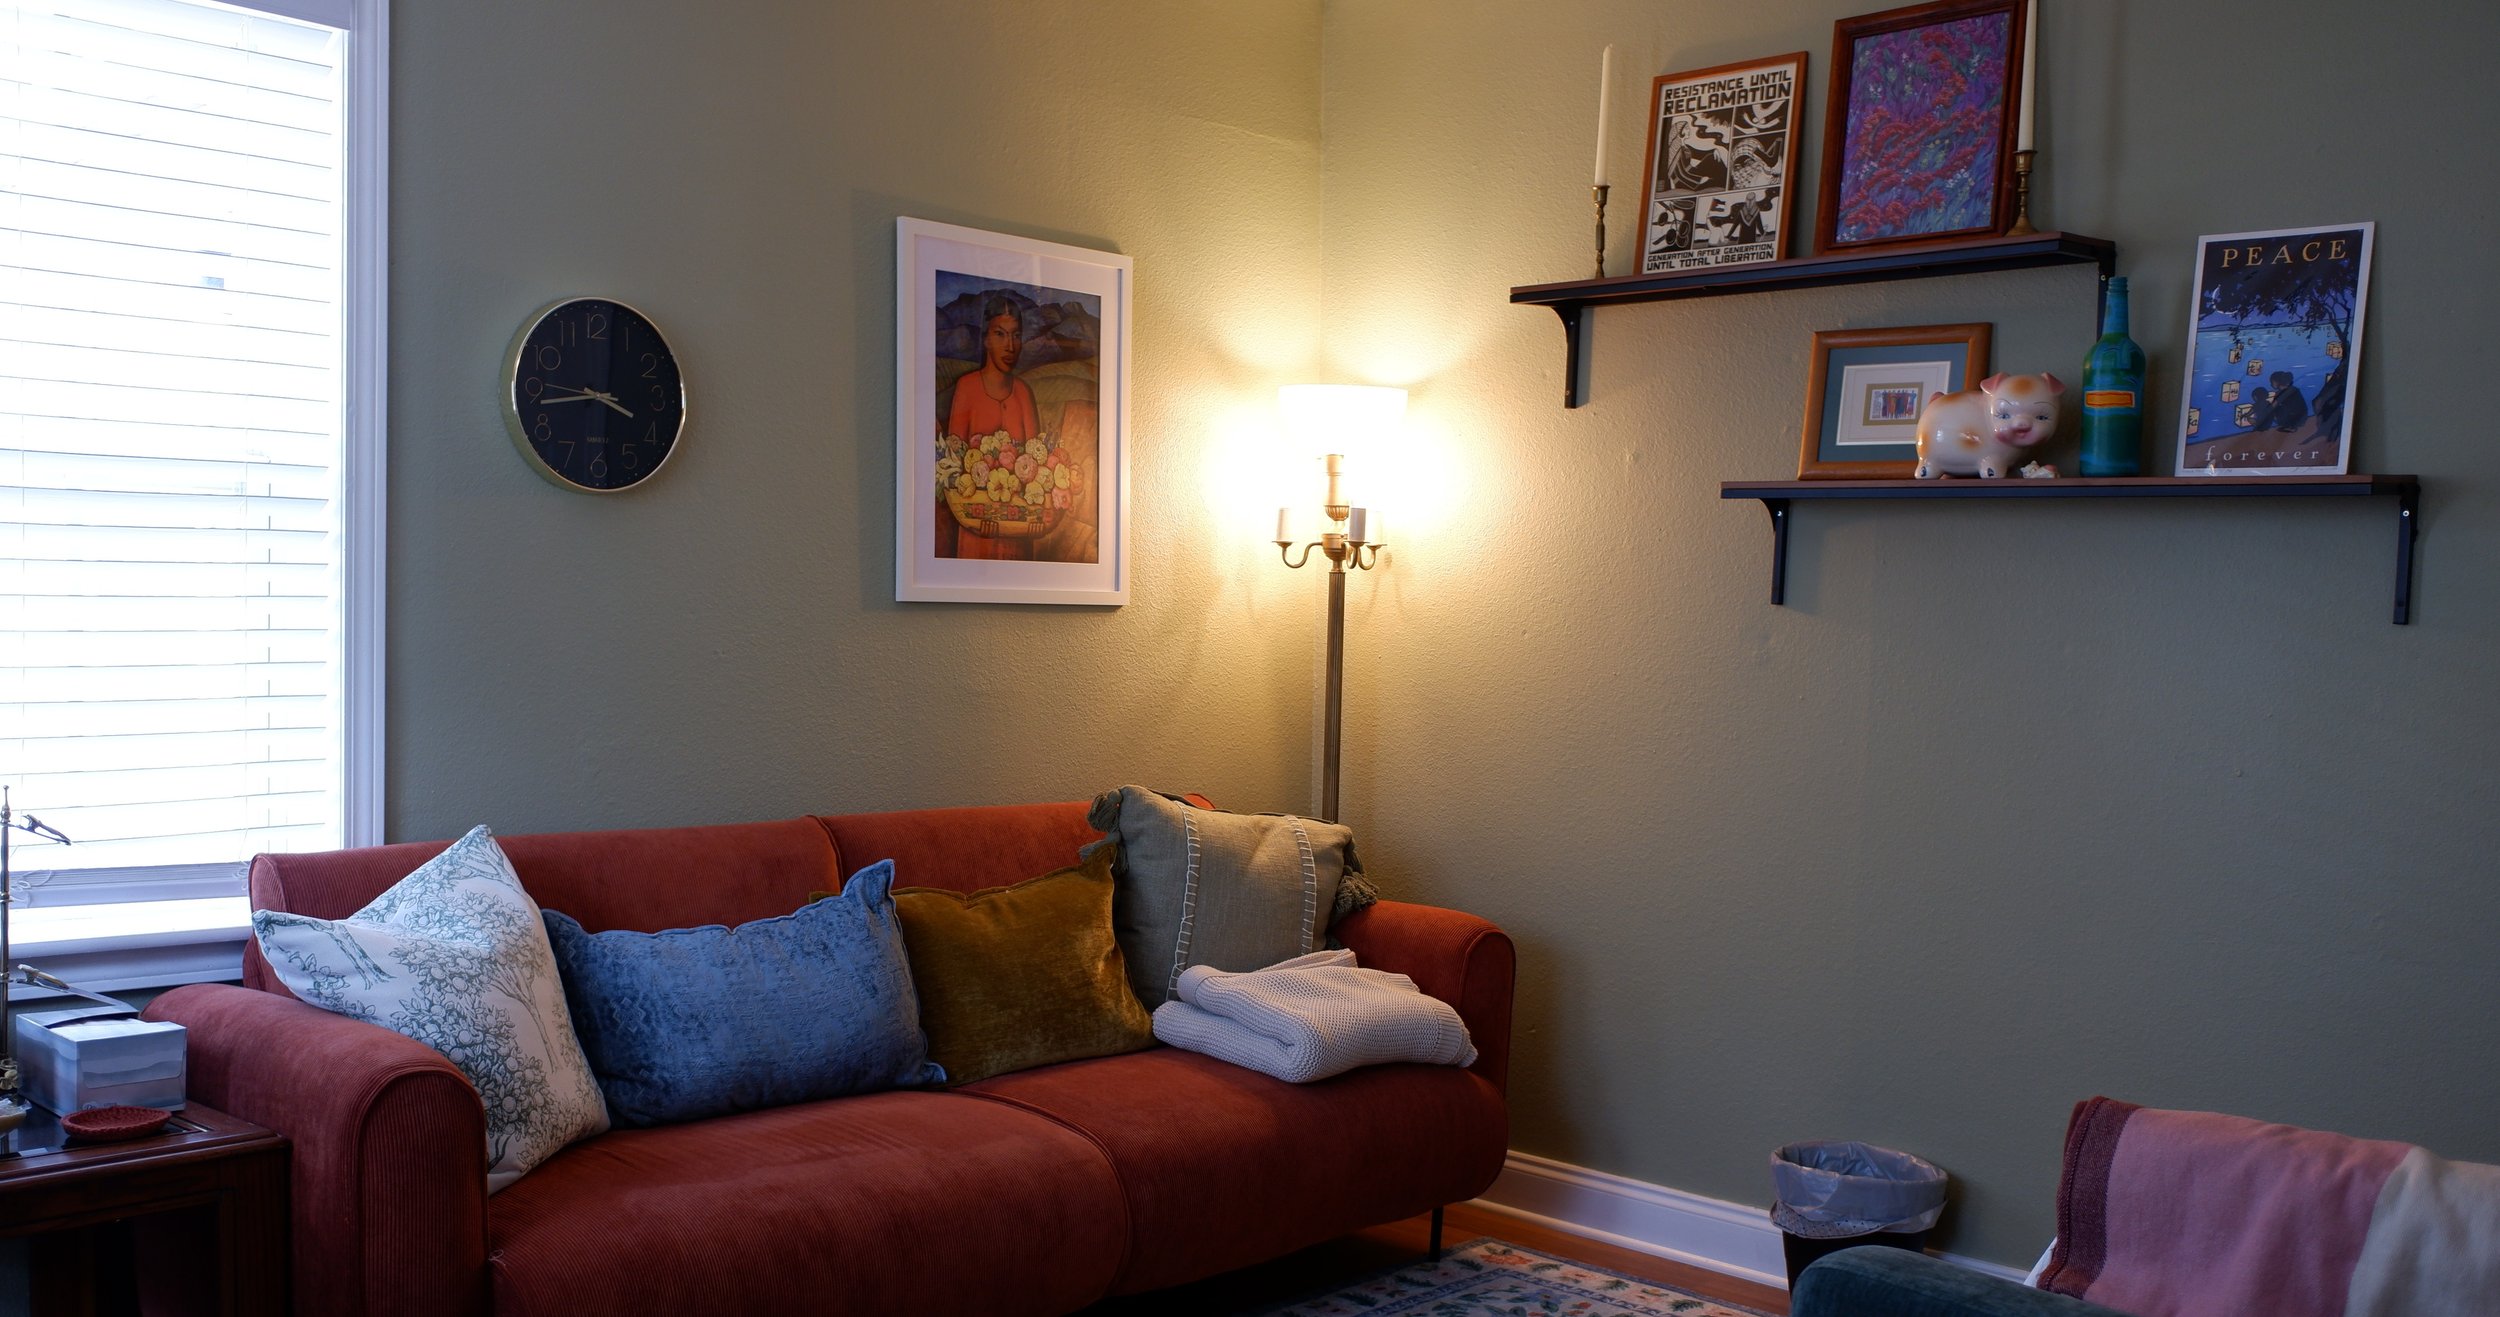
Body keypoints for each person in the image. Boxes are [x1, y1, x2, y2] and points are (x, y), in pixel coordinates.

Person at [942, 297, 1042, 560]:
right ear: (986, 339)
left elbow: (1037, 466)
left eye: (1016, 335)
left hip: (1019, 533)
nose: (1010, 346)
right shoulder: (967, 388)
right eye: (1000, 334)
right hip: (976, 534)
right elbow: (954, 464)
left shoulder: (1023, 393)